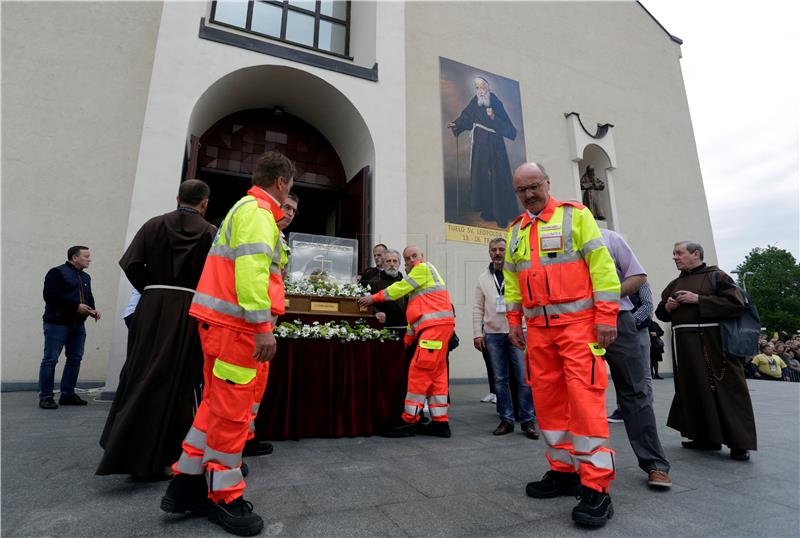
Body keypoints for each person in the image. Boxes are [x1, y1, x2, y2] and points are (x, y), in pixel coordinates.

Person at [160, 151, 294, 536]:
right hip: (237, 329)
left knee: (215, 407)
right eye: (290, 187)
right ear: (281, 182)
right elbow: (251, 273)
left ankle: (185, 484)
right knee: (232, 414)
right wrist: (261, 326)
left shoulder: (245, 209)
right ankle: (224, 497)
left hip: (223, 326)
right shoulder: (257, 213)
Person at [504, 162, 619, 527]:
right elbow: (511, 280)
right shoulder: (515, 231)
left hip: (579, 328)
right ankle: (564, 471)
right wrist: (513, 322)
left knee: (585, 402)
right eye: (522, 190)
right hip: (538, 331)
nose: (529, 194)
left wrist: (606, 316)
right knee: (549, 403)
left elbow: (601, 266)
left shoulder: (576, 216)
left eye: (534, 186)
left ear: (547, 183)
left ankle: (597, 487)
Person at [97, 179, 216, 479]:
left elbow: (131, 263)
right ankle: (167, 456)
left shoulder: (153, 225)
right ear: (204, 203)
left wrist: (151, 289)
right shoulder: (210, 232)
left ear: (178, 198)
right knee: (178, 380)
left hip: (151, 306)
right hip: (189, 309)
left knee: (139, 371)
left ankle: (123, 447)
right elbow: (216, 274)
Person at [655, 241, 757, 462]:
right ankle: (704, 437)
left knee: (727, 390)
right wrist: (667, 308)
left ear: (696, 254)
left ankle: (739, 443)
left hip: (714, 343)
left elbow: (736, 303)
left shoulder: (718, 277)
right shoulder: (675, 283)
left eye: (679, 253)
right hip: (684, 346)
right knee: (694, 389)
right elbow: (661, 313)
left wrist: (698, 299)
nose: (675, 257)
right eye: (674, 253)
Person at [597, 229, 672, 489]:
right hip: (575, 324)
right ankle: (581, 467)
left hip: (618, 318)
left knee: (635, 392)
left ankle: (655, 464)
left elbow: (638, 276)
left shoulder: (608, 237)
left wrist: (606, 296)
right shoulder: (555, 241)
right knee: (579, 394)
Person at [358, 246, 455, 438]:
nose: (411, 260)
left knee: (419, 371)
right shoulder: (420, 282)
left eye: (414, 256)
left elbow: (397, 290)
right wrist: (409, 337)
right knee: (437, 375)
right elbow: (415, 313)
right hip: (438, 329)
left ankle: (409, 420)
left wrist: (373, 298)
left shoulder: (422, 269)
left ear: (422, 257)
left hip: (434, 330)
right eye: (408, 258)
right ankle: (440, 422)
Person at [473, 237, 537, 439]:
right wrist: (477, 333)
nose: (498, 253)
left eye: (501, 249)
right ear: (489, 253)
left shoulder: (517, 272)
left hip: (518, 331)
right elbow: (477, 308)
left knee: (523, 377)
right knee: (500, 379)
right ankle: (506, 419)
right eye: (494, 250)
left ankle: (527, 420)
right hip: (493, 334)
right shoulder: (483, 277)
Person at [448, 76, 518, 228]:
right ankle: (488, 211)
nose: (480, 90)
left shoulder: (496, 102)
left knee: (497, 179)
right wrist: (457, 124)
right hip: (479, 146)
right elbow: (466, 117)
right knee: (483, 179)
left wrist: (493, 117)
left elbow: (509, 129)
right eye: (477, 87)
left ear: (488, 89)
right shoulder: (475, 101)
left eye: (482, 87)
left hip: (495, 146)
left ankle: (501, 215)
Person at [38, 245, 101, 409]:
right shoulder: (56, 272)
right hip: (56, 325)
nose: (89, 259)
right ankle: (45, 397)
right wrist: (75, 306)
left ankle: (67, 394)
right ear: (74, 258)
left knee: (75, 359)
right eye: (86, 256)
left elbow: (88, 297)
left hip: (78, 326)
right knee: (50, 360)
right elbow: (50, 296)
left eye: (89, 256)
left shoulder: (86, 277)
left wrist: (92, 310)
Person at [366, 249, 408, 332]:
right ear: (382, 263)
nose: (392, 264)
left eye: (395, 261)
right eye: (388, 261)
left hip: (404, 329)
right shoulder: (373, 282)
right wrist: (376, 312)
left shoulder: (406, 282)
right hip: (383, 329)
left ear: (399, 263)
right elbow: (366, 302)